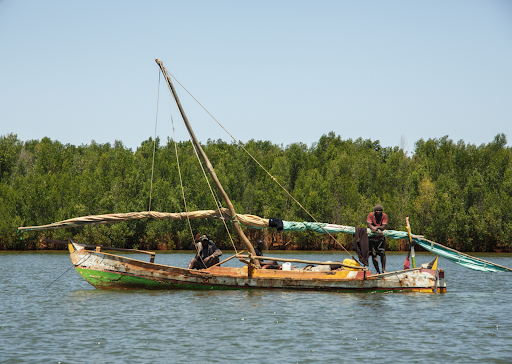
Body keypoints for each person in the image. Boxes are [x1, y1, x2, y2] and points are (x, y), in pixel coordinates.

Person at [367, 204, 388, 274]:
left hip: (380, 237)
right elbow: (369, 224)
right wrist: (373, 228)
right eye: (377, 210)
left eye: (380, 210)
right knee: (373, 255)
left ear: (382, 211)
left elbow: (384, 226)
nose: (378, 211)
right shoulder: (370, 215)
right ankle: (378, 271)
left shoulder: (384, 216)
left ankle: (383, 270)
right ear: (374, 211)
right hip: (372, 238)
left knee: (382, 253)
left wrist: (377, 228)